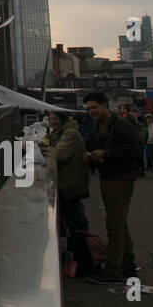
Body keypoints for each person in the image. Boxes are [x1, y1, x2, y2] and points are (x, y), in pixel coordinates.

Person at [82, 91, 141, 284]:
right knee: (120, 223)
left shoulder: (121, 125)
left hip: (121, 179)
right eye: (88, 109)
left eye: (94, 107)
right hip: (108, 177)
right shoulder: (99, 125)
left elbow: (132, 151)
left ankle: (113, 271)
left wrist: (105, 154)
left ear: (105, 105)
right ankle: (127, 264)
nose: (91, 112)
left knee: (114, 225)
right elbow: (89, 142)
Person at [46, 111, 90, 270]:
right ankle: (77, 257)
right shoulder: (60, 132)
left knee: (77, 223)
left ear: (63, 120)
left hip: (71, 186)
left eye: (56, 119)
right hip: (67, 184)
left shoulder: (70, 134)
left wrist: (38, 148)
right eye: (50, 119)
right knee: (74, 222)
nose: (52, 122)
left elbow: (59, 154)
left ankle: (84, 262)